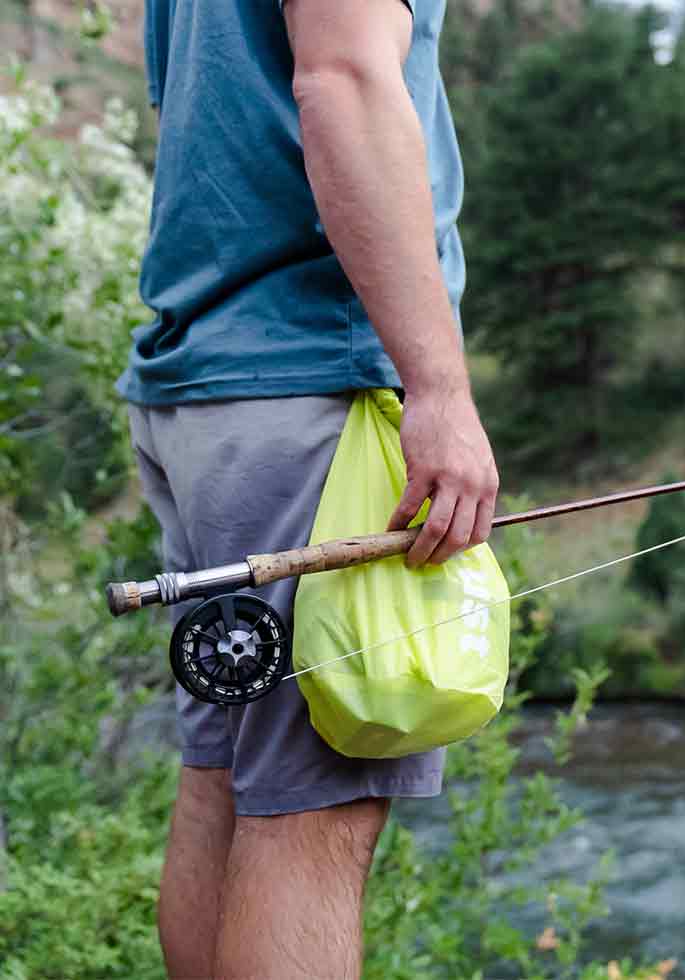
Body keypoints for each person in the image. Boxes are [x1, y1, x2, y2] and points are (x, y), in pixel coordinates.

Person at [117, 0, 498, 976]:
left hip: (201, 390)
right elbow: (343, 80)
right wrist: (439, 386)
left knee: (225, 783)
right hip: (310, 391)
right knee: (312, 809)